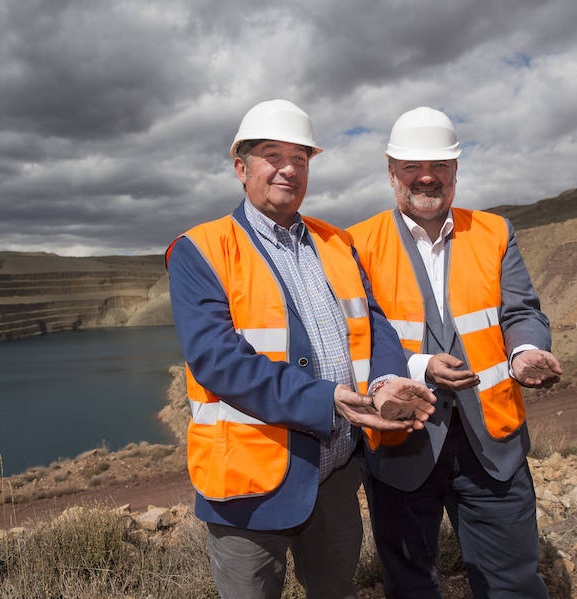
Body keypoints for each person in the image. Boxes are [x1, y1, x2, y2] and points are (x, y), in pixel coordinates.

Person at [165, 99, 436, 599]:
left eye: (302, 158)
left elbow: (373, 327)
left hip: (333, 476)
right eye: (273, 155)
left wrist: (386, 382)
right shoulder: (200, 250)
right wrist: (326, 399)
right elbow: (218, 362)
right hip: (248, 484)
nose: (289, 169)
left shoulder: (337, 242)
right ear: (241, 168)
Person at [348, 106, 563, 599]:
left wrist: (526, 350)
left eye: (440, 166)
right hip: (402, 440)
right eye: (412, 167)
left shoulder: (495, 232)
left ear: (455, 170)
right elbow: (357, 337)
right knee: (410, 585)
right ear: (391, 170)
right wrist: (420, 366)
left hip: (491, 446)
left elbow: (520, 312)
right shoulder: (356, 244)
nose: (427, 178)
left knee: (513, 582)